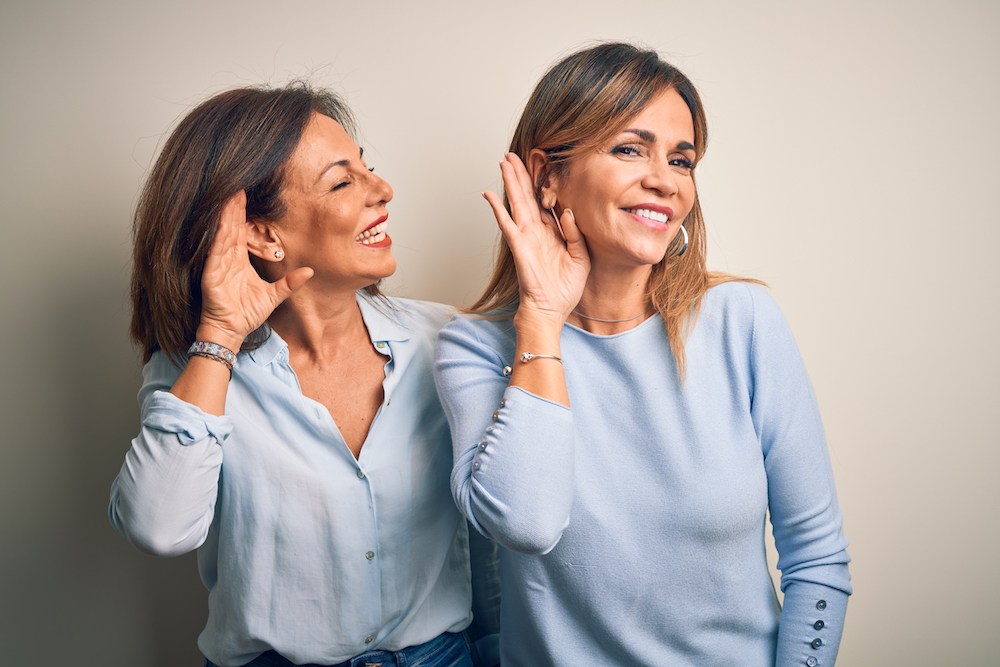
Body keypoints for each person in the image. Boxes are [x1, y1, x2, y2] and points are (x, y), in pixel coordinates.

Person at [434, 42, 852, 666]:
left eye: (681, 160)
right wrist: (543, 321)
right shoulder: (474, 347)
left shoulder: (743, 322)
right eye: (630, 149)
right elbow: (524, 523)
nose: (665, 179)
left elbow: (816, 557)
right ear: (548, 175)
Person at [109, 83, 479, 667]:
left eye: (369, 168)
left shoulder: (447, 343)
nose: (382, 191)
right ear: (262, 233)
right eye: (342, 181)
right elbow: (159, 528)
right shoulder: (196, 370)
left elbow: (500, 538)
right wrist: (221, 338)